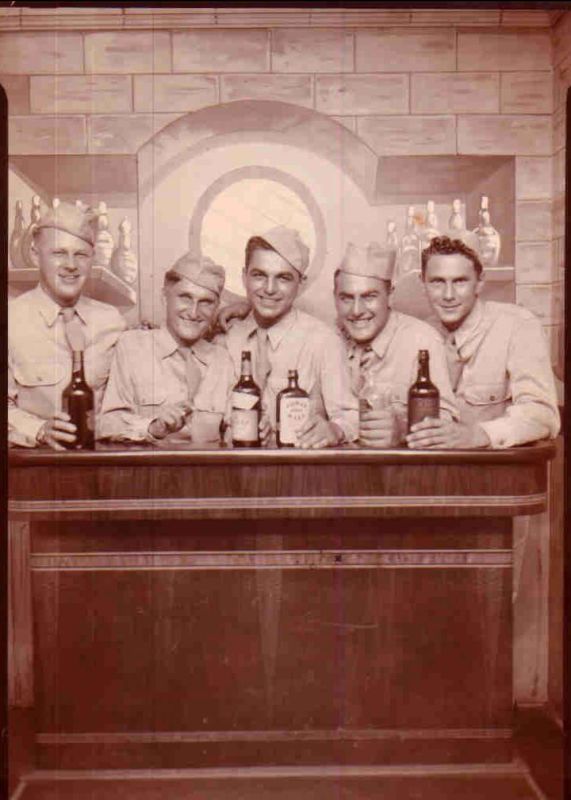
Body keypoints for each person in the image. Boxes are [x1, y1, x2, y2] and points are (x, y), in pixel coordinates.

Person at [407, 236, 560, 449]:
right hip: (432, 472)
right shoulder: (417, 335)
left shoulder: (518, 326)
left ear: (480, 282)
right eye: (437, 282)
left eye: (460, 281)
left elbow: (543, 414)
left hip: (497, 473)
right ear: (422, 284)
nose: (448, 295)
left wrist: (479, 435)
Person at [221, 226, 358, 448]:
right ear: (244, 276)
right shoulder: (230, 338)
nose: (269, 288)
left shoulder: (323, 341)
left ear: (300, 284)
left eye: (283, 278)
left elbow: (350, 415)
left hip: (299, 473)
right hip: (236, 473)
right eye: (259, 275)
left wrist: (335, 429)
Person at [8, 201, 126, 449]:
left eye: (81, 254)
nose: (71, 265)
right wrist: (38, 429)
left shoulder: (112, 321)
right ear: (34, 253)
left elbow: (124, 406)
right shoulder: (11, 320)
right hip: (32, 471)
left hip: (101, 469)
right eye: (59, 253)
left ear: (92, 259)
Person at [99, 253, 235, 445]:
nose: (194, 312)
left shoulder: (222, 360)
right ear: (165, 298)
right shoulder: (132, 347)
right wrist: (153, 426)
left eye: (206, 302)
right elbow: (107, 423)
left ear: (216, 308)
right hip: (151, 471)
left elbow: (235, 424)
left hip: (209, 472)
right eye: (185, 298)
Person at [334, 242, 457, 447]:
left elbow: (445, 420)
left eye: (369, 297)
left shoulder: (421, 340)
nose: (356, 310)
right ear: (334, 297)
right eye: (346, 298)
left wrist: (402, 429)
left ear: (390, 295)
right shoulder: (327, 338)